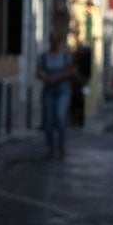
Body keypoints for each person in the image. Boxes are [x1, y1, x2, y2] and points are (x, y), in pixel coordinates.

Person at [37, 28, 74, 158]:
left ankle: (61, 143)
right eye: (52, 40)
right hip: (49, 89)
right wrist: (46, 77)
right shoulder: (43, 56)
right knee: (49, 119)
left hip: (62, 89)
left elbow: (70, 71)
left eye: (56, 40)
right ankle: (51, 145)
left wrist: (58, 77)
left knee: (60, 116)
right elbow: (39, 71)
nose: (54, 42)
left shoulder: (65, 56)